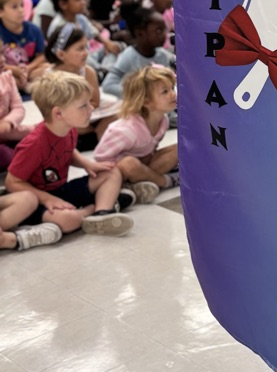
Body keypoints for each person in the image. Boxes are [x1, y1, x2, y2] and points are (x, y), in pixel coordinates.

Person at [5, 70, 134, 237]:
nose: (91, 108)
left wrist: (87, 164)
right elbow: (12, 182)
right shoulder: (33, 144)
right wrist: (47, 199)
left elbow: (69, 150)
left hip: (61, 190)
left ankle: (102, 213)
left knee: (111, 172)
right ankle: (94, 208)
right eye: (83, 106)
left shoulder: (70, 129)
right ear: (58, 113)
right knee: (68, 220)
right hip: (37, 202)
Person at [94, 65, 178, 204]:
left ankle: (138, 185)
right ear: (146, 102)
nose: (173, 94)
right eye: (165, 91)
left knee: (178, 149)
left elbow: (151, 149)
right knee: (130, 163)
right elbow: (100, 158)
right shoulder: (126, 130)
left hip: (143, 165)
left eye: (171, 88)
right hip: (117, 172)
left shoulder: (163, 121)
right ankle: (166, 181)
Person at [45, 24, 120, 144]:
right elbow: (51, 107)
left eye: (86, 47)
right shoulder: (51, 77)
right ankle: (92, 137)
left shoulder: (88, 72)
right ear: (61, 54)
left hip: (91, 112)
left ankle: (93, 136)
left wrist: (84, 111)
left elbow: (95, 102)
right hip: (67, 116)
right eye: (80, 49)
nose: (86, 53)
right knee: (59, 123)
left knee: (122, 112)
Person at [101, 3, 174, 98]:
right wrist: (140, 95)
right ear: (140, 34)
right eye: (158, 31)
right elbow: (108, 85)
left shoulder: (164, 55)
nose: (164, 35)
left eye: (165, 30)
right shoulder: (128, 56)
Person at [0, 0, 48, 91]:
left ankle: (27, 86)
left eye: (22, 5)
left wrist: (29, 68)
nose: (21, 10)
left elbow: (42, 55)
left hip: (29, 71)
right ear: (1, 12)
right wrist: (13, 70)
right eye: (14, 7)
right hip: (8, 72)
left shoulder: (34, 29)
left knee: (47, 68)